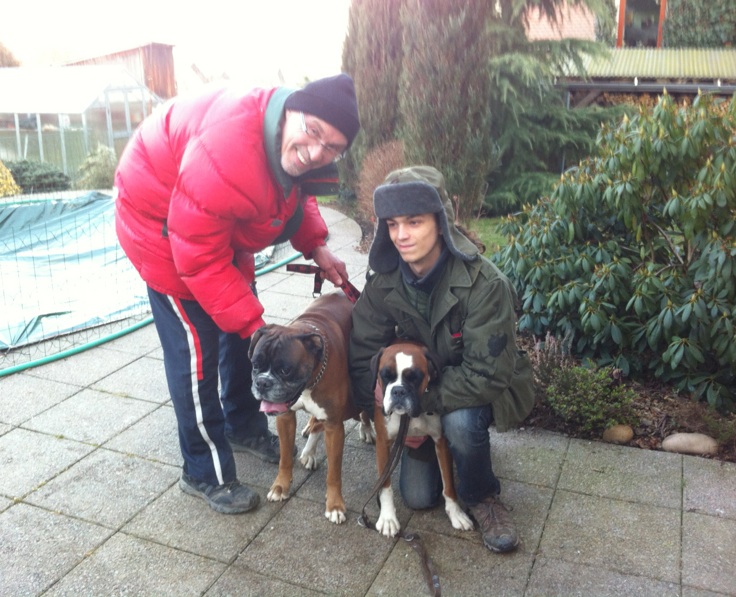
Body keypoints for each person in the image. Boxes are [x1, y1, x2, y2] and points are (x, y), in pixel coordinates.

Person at [115, 74, 361, 515]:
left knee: (238, 327)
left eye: (332, 148)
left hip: (213, 223)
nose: (316, 152)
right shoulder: (229, 149)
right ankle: (202, 471)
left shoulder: (286, 143)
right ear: (291, 112)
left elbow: (296, 194)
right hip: (161, 227)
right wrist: (257, 328)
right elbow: (197, 256)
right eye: (313, 132)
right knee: (197, 354)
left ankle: (242, 423)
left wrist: (316, 247)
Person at [349, 165, 534, 552]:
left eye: (414, 221)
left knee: (462, 425)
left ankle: (482, 494)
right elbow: (363, 350)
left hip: (474, 390)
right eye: (393, 224)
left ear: (441, 222)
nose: (401, 235)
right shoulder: (384, 280)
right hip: (416, 392)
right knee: (418, 498)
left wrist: (416, 406)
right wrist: (389, 404)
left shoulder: (486, 285)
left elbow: (485, 375)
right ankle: (438, 447)